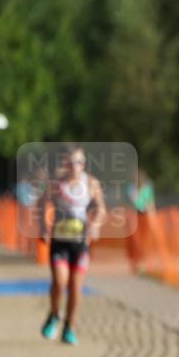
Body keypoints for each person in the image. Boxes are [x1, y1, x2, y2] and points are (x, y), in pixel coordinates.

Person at [39, 146, 107, 345]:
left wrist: (94, 225)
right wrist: (44, 227)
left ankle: (70, 326)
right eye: (70, 163)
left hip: (80, 242)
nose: (75, 167)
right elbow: (42, 204)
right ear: (64, 164)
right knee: (60, 282)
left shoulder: (91, 183)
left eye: (79, 162)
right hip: (59, 242)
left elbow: (101, 209)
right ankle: (54, 314)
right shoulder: (55, 184)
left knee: (76, 286)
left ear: (83, 164)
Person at [126, 169, 156, 273]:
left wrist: (152, 216)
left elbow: (150, 203)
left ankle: (142, 262)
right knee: (134, 240)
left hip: (144, 216)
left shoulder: (147, 189)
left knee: (144, 240)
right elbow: (133, 202)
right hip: (134, 216)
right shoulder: (131, 189)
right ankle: (135, 261)